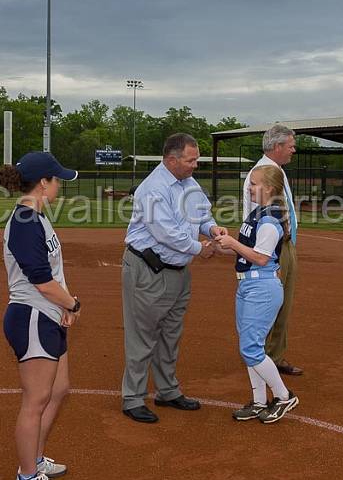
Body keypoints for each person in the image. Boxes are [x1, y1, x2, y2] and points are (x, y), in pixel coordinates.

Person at [121, 133, 228, 423]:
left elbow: (202, 217)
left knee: (170, 335)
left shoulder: (189, 184)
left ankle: (167, 390)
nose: (196, 165)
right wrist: (199, 249)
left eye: (197, 159)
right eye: (190, 160)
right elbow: (165, 232)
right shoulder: (152, 189)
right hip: (148, 269)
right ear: (171, 160)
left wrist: (213, 229)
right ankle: (132, 398)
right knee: (142, 336)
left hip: (177, 272)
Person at [0, 152, 81, 480]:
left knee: (58, 389)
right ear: (43, 183)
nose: (59, 185)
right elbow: (41, 281)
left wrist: (63, 304)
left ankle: (35, 459)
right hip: (32, 315)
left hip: (47, 314)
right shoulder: (24, 221)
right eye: (57, 179)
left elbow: (51, 278)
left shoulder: (38, 219)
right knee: (35, 400)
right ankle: (27, 475)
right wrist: (71, 303)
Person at [217, 165, 299, 423]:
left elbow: (261, 258)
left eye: (254, 183)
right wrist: (223, 244)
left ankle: (284, 396)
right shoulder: (258, 214)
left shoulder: (270, 219)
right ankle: (259, 401)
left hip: (261, 288)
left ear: (270, 189)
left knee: (252, 348)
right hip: (249, 285)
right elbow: (246, 251)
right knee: (250, 347)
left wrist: (232, 243)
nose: (249, 187)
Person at [243, 124, 303, 376]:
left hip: (286, 244)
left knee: (284, 303)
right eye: (290, 146)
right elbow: (252, 215)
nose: (293, 150)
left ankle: (274, 355)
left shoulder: (276, 170)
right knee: (269, 303)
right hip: (272, 248)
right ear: (277, 147)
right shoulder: (261, 173)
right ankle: (261, 357)